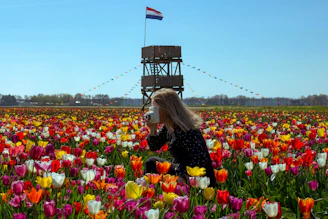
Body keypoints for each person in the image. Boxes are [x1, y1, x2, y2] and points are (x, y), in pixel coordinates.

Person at [144, 88, 216, 187]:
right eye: (151, 109)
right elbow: (154, 146)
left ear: (167, 109)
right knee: (151, 162)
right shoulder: (168, 126)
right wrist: (152, 129)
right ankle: (149, 192)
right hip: (180, 170)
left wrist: (183, 177)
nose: (152, 112)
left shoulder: (186, 129)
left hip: (199, 179)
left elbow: (200, 160)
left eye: (155, 109)